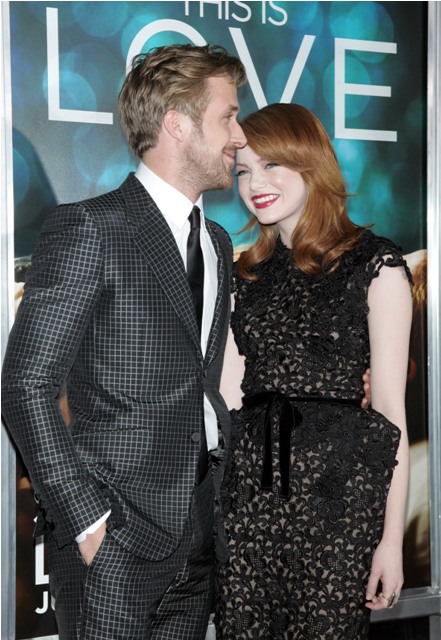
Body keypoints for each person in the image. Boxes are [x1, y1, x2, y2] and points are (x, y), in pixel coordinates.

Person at [1, 44, 247, 640]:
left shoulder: (216, 242)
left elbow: (202, 382)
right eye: (228, 116)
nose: (240, 137)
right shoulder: (91, 227)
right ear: (177, 124)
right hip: (114, 544)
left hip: (199, 534)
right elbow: (24, 385)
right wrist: (87, 522)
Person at [215, 103, 412, 639]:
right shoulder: (244, 274)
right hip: (250, 508)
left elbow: (390, 414)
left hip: (340, 508)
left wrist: (390, 542)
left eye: (271, 165)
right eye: (243, 171)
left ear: (310, 162)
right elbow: (229, 401)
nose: (255, 184)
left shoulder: (374, 264)